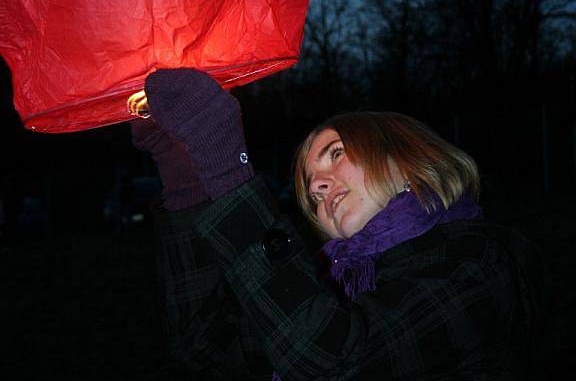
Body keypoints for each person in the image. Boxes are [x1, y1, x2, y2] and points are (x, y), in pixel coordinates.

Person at [131, 68, 545, 380]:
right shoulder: (329, 288)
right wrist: (185, 179)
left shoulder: (477, 263)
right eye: (311, 189)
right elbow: (206, 348)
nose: (319, 187)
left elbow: (334, 361)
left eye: (335, 154)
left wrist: (225, 165)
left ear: (405, 159)